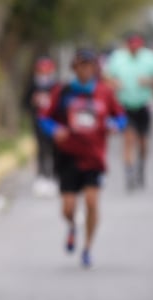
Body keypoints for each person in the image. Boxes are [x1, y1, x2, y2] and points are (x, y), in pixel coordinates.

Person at [38, 47, 127, 268]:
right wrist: (54, 130)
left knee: (91, 202)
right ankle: (72, 226)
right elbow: (44, 118)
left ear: (95, 68)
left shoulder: (104, 92)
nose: (85, 70)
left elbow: (121, 117)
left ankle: (87, 247)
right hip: (68, 155)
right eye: (81, 66)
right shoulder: (64, 91)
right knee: (68, 208)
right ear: (74, 68)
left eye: (89, 66)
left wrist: (115, 125)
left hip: (94, 157)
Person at [104, 33, 153, 190]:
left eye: (137, 46)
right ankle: (129, 172)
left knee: (143, 142)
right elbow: (105, 77)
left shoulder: (150, 58)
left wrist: (150, 82)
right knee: (128, 139)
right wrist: (114, 83)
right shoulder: (117, 58)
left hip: (143, 104)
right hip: (124, 104)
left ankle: (141, 167)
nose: (134, 49)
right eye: (131, 46)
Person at [23, 55, 60, 196]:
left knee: (54, 150)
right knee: (41, 150)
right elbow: (25, 103)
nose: (44, 73)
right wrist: (33, 102)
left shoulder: (55, 85)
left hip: (53, 123)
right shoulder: (33, 85)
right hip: (38, 122)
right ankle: (42, 177)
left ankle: (54, 176)